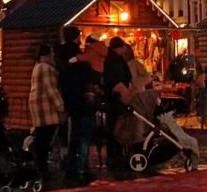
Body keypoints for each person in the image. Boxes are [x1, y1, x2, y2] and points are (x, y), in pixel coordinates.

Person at [55, 27, 97, 185]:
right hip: (82, 99)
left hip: (69, 99)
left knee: (74, 136)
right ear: (76, 37)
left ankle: (71, 168)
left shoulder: (59, 55)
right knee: (84, 136)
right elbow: (88, 75)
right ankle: (82, 170)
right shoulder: (79, 56)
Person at [28, 44, 65, 176]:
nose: (53, 55)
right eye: (51, 53)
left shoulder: (37, 66)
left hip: (38, 105)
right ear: (45, 55)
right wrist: (60, 107)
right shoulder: (46, 68)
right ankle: (42, 168)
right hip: (45, 106)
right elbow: (51, 89)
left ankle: (41, 166)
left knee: (42, 137)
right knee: (45, 138)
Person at [103, 36, 133, 169]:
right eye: (122, 47)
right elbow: (112, 80)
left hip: (121, 98)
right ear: (117, 48)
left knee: (120, 127)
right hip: (115, 100)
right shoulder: (111, 61)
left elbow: (127, 75)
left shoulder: (119, 60)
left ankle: (119, 153)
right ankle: (113, 155)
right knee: (114, 127)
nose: (124, 50)